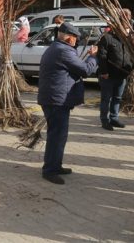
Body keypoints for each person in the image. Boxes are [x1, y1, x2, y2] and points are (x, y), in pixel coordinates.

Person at [38, 23, 98, 185]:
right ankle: (50, 170)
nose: (76, 41)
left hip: (55, 98)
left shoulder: (57, 48)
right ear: (68, 37)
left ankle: (55, 165)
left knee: (58, 135)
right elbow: (86, 70)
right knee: (56, 136)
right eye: (75, 38)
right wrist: (92, 57)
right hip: (56, 100)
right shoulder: (63, 51)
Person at [96, 9, 134, 130]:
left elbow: (131, 55)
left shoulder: (128, 38)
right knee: (106, 99)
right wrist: (104, 72)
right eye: (123, 24)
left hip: (122, 75)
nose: (126, 26)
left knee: (117, 98)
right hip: (108, 75)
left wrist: (130, 68)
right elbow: (101, 56)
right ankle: (104, 120)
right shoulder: (107, 38)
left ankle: (114, 118)